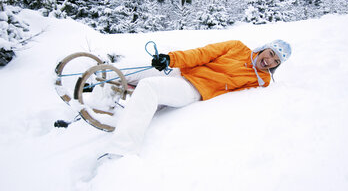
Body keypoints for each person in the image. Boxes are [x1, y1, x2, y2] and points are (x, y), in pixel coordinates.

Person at [103, 39, 292, 158]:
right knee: (128, 70)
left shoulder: (262, 80)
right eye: (271, 53)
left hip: (192, 88)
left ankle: (122, 150)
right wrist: (170, 59)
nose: (269, 61)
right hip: (181, 71)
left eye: (276, 61)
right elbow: (203, 53)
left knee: (149, 87)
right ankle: (98, 88)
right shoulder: (237, 46)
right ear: (265, 48)